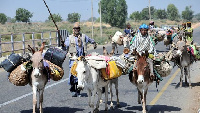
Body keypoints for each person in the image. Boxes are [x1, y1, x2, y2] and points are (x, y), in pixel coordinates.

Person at [64, 22, 97, 97]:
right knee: (72, 74)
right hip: (74, 59)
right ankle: (72, 88)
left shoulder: (84, 36)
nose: (76, 30)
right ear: (73, 29)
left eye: (78, 28)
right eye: (75, 28)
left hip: (82, 59)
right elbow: (65, 46)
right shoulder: (69, 38)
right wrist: (64, 45)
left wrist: (94, 43)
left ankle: (78, 90)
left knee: (80, 74)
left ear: (79, 29)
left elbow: (90, 40)